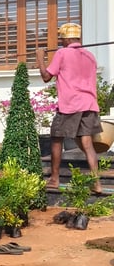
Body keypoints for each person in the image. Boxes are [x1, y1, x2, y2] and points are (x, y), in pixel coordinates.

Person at [36, 23, 102, 193]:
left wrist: (40, 58)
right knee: (87, 143)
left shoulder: (62, 53)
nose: (60, 41)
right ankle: (97, 183)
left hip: (70, 104)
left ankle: (54, 179)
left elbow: (46, 77)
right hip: (89, 104)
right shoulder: (90, 56)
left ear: (66, 38)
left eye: (61, 38)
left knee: (56, 138)